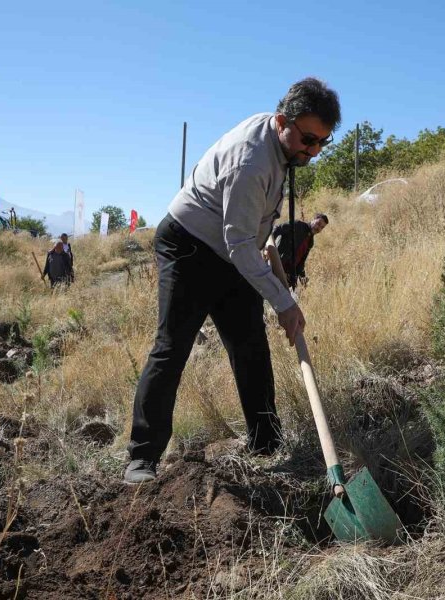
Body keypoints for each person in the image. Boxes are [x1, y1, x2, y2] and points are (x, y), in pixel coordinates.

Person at [123, 77, 341, 484]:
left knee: (250, 345)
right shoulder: (251, 160)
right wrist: (284, 302)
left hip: (234, 248)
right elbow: (238, 242)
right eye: (308, 140)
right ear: (282, 121)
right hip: (190, 246)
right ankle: (142, 457)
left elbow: (243, 238)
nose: (312, 151)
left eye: (321, 144)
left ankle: (265, 442)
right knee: (173, 345)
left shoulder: (282, 143)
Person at [273, 213, 329, 288]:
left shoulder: (310, 242)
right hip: (275, 266)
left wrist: (302, 278)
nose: (318, 228)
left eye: (322, 227)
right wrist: (268, 248)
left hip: (287, 276)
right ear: (313, 219)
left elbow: (301, 262)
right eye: (318, 223)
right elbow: (277, 228)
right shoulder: (298, 225)